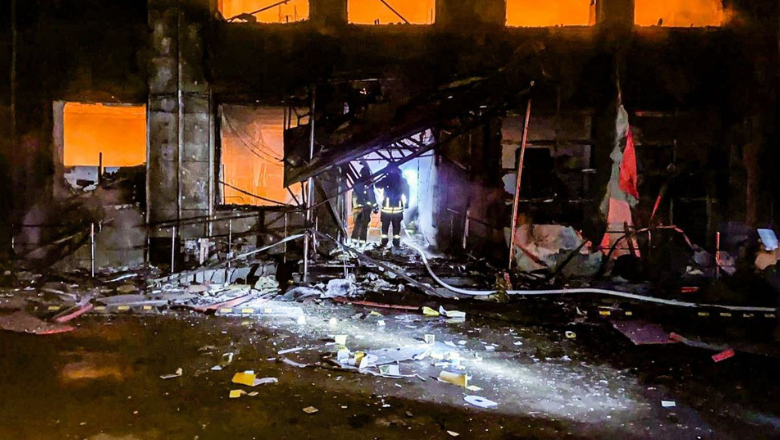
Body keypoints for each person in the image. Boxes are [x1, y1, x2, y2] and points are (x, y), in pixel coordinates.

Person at [377, 166, 410, 248]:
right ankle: (396, 244)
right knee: (396, 228)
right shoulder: (402, 180)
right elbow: (407, 192)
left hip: (386, 211)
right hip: (397, 210)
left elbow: (377, 185)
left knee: (385, 228)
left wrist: (383, 174)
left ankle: (384, 243)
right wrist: (407, 203)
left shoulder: (386, 179)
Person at [351, 162, 377, 248]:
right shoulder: (368, 184)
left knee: (357, 224)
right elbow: (371, 196)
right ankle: (362, 242)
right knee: (364, 225)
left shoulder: (357, 182)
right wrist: (375, 207)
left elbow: (354, 194)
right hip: (366, 208)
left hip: (357, 207)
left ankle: (354, 241)